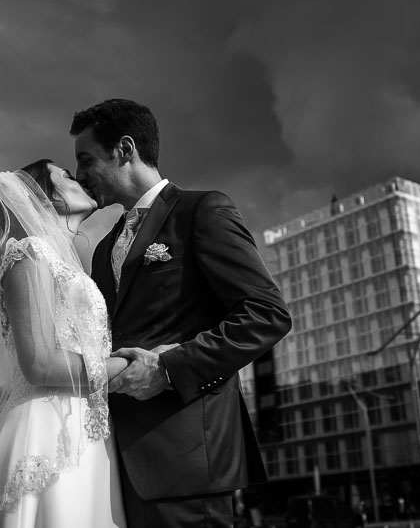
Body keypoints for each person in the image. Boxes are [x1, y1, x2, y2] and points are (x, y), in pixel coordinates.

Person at [71, 99, 292, 528]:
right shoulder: (102, 250)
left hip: (187, 458)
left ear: (125, 148)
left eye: (86, 159)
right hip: (114, 466)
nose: (80, 176)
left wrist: (169, 369)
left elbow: (267, 314)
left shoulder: (202, 211)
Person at [0, 159, 129, 528]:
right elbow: (39, 363)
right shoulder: (30, 254)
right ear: (42, 196)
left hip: (83, 429)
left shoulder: (70, 264)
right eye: (65, 174)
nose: (79, 178)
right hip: (45, 433)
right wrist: (127, 367)